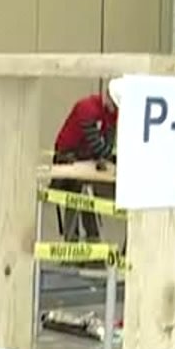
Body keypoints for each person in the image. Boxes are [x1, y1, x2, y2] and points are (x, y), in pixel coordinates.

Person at [49, 89, 118, 240]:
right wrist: (111, 158)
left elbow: (108, 141)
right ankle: (72, 238)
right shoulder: (86, 108)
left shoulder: (113, 112)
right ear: (107, 98)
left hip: (87, 154)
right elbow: (96, 144)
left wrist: (108, 157)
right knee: (75, 188)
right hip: (67, 152)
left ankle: (92, 238)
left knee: (88, 190)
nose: (115, 110)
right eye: (115, 105)